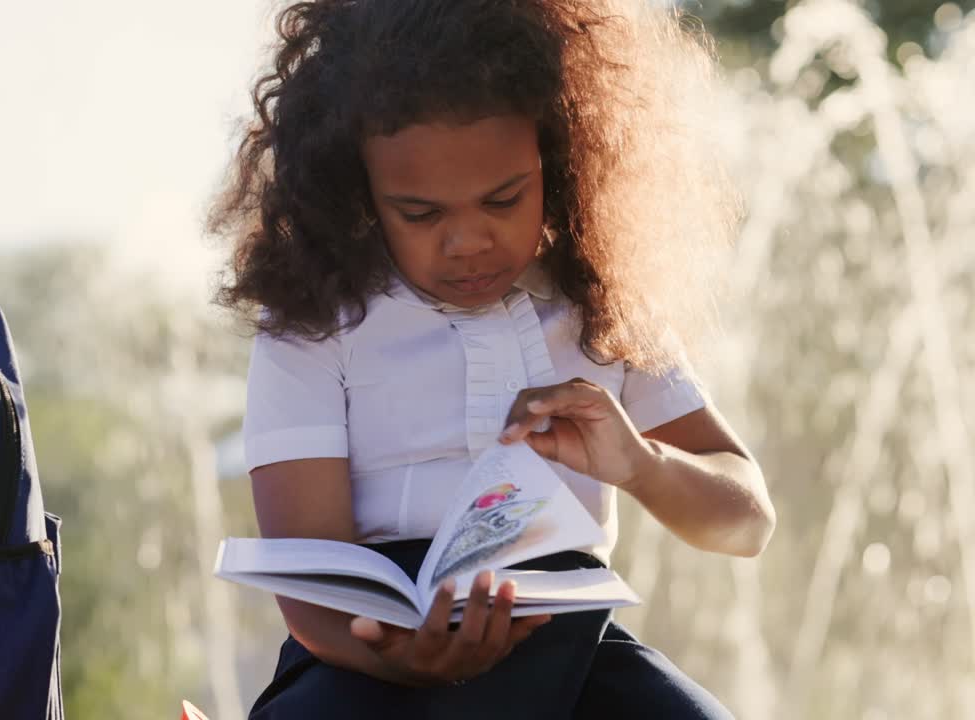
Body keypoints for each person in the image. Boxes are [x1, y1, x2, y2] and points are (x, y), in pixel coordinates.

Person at [208, 0, 776, 717]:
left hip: (570, 646)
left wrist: (640, 464)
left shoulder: (600, 299)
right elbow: (311, 588)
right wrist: (402, 657)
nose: (468, 241)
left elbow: (747, 522)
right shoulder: (314, 320)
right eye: (422, 213)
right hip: (364, 657)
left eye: (504, 199)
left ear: (563, 160)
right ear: (358, 191)